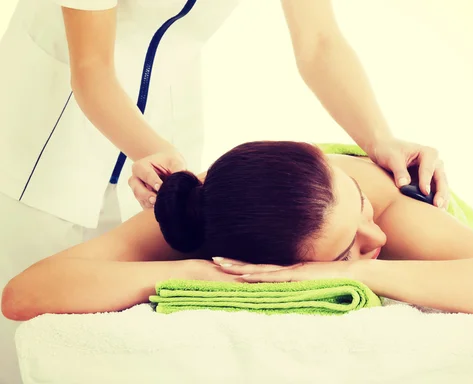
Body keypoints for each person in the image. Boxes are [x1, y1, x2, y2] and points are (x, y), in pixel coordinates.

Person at [0, 1, 449, 381]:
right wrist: (151, 151)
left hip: (170, 112)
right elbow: (92, 68)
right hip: (49, 126)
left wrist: (378, 140)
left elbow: (319, 43)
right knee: (28, 334)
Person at [3, 140, 473, 328]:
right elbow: (25, 294)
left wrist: (352, 266)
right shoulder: (204, 211)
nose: (375, 233)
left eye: (359, 210)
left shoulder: (387, 205)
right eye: (350, 244)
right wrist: (196, 271)